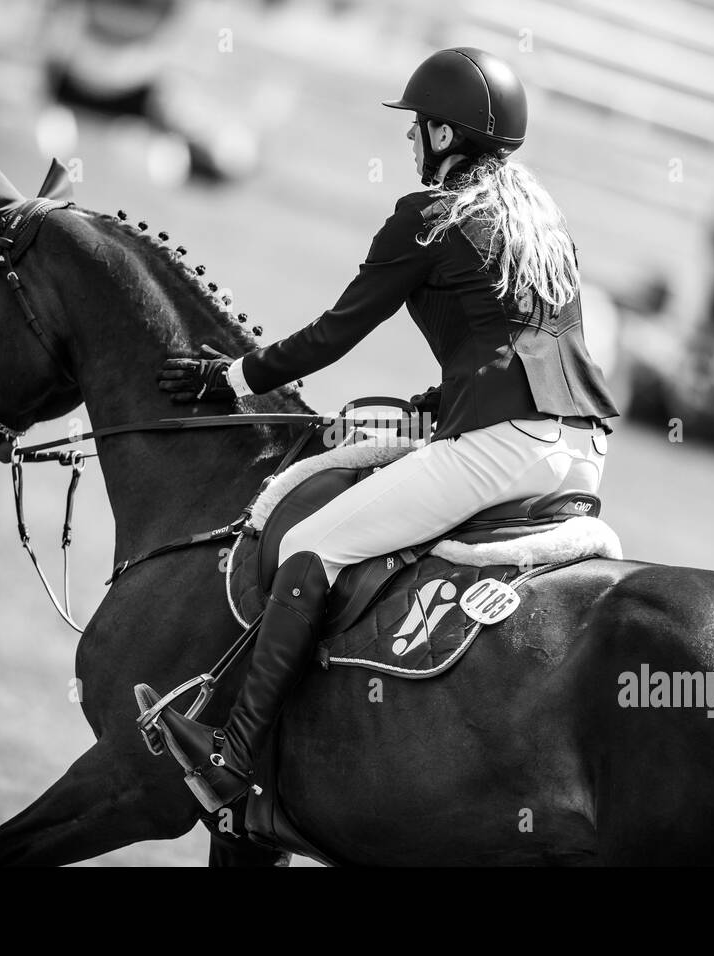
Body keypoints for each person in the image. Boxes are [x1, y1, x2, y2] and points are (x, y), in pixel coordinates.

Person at [156, 47, 619, 811]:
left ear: (444, 136)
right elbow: (523, 346)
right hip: (583, 453)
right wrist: (434, 404)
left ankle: (232, 755)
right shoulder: (542, 219)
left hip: (505, 451)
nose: (409, 143)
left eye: (418, 129)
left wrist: (233, 376)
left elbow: (334, 333)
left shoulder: (429, 219)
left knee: (312, 546)